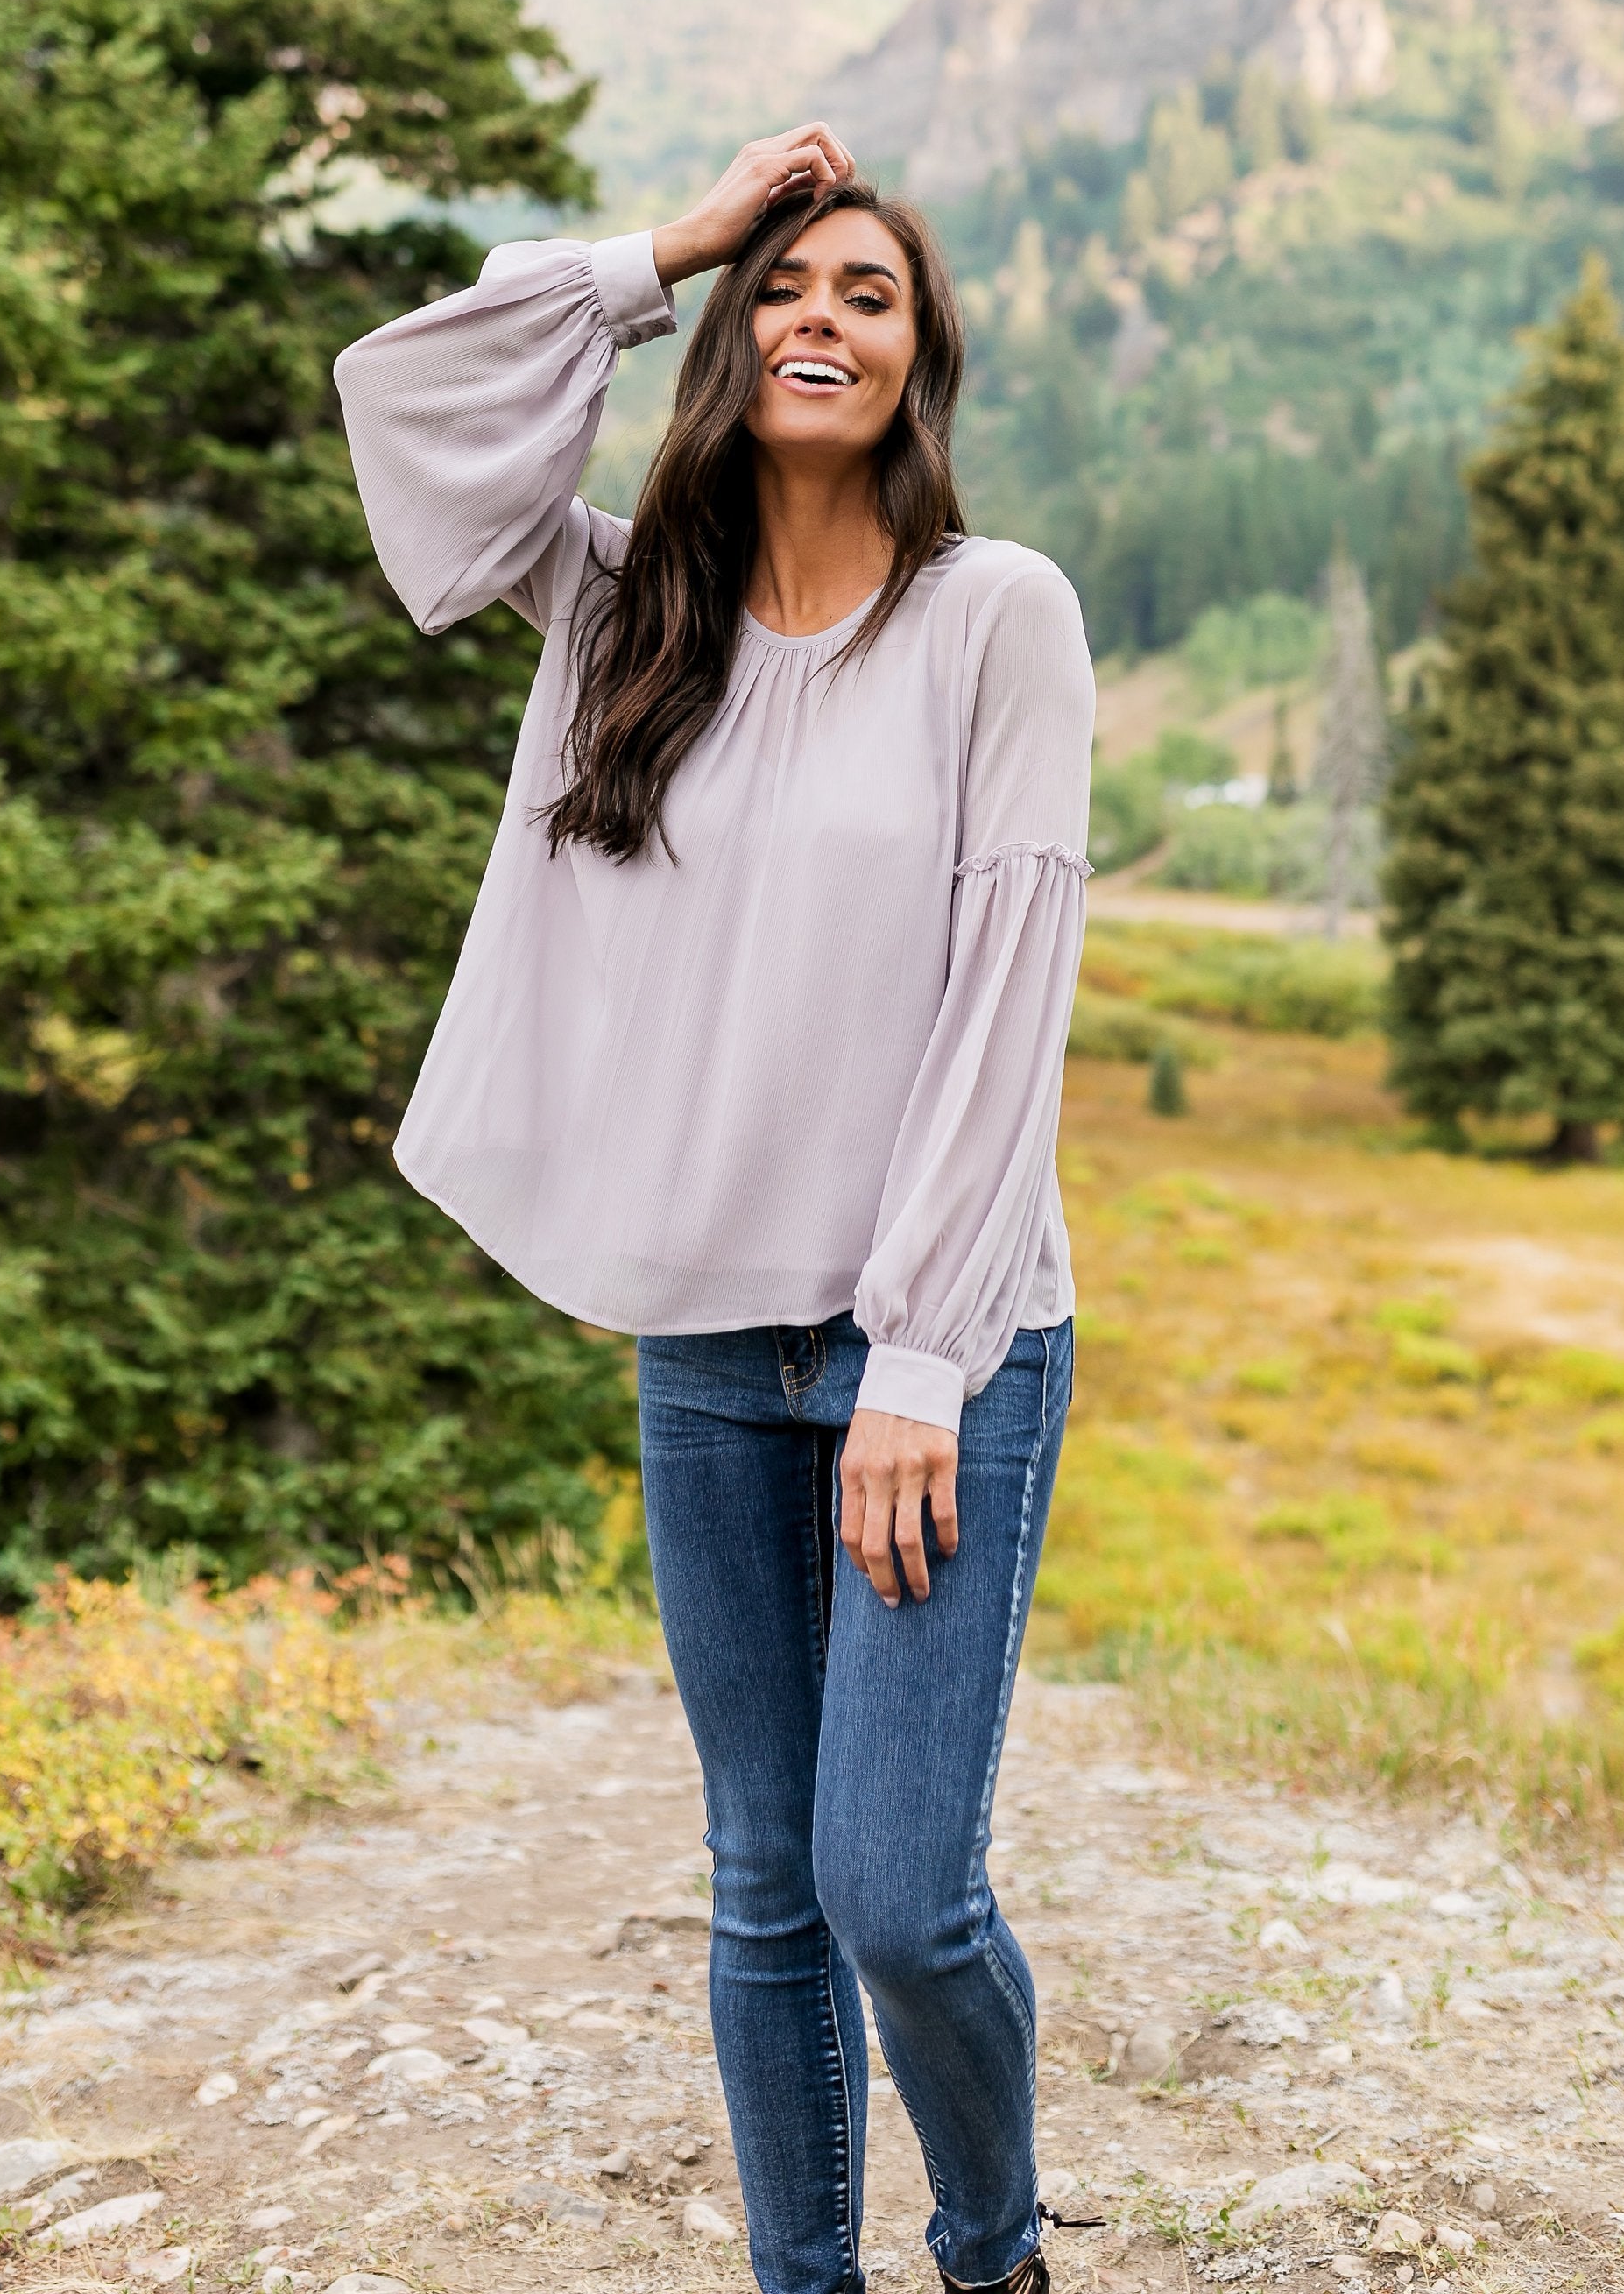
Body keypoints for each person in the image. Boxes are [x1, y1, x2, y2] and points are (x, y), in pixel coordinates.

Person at [335, 123, 1095, 2294]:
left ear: (921, 356)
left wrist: (923, 1362)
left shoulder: (993, 621)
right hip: (707, 1348)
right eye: (786, 287)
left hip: (937, 1347)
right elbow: (404, 400)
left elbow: (1002, 1010)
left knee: (896, 1892)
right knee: (760, 1878)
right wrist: (664, 245)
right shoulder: (618, 602)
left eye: (867, 293)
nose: (820, 318)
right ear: (731, 336)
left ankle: (994, 2248)